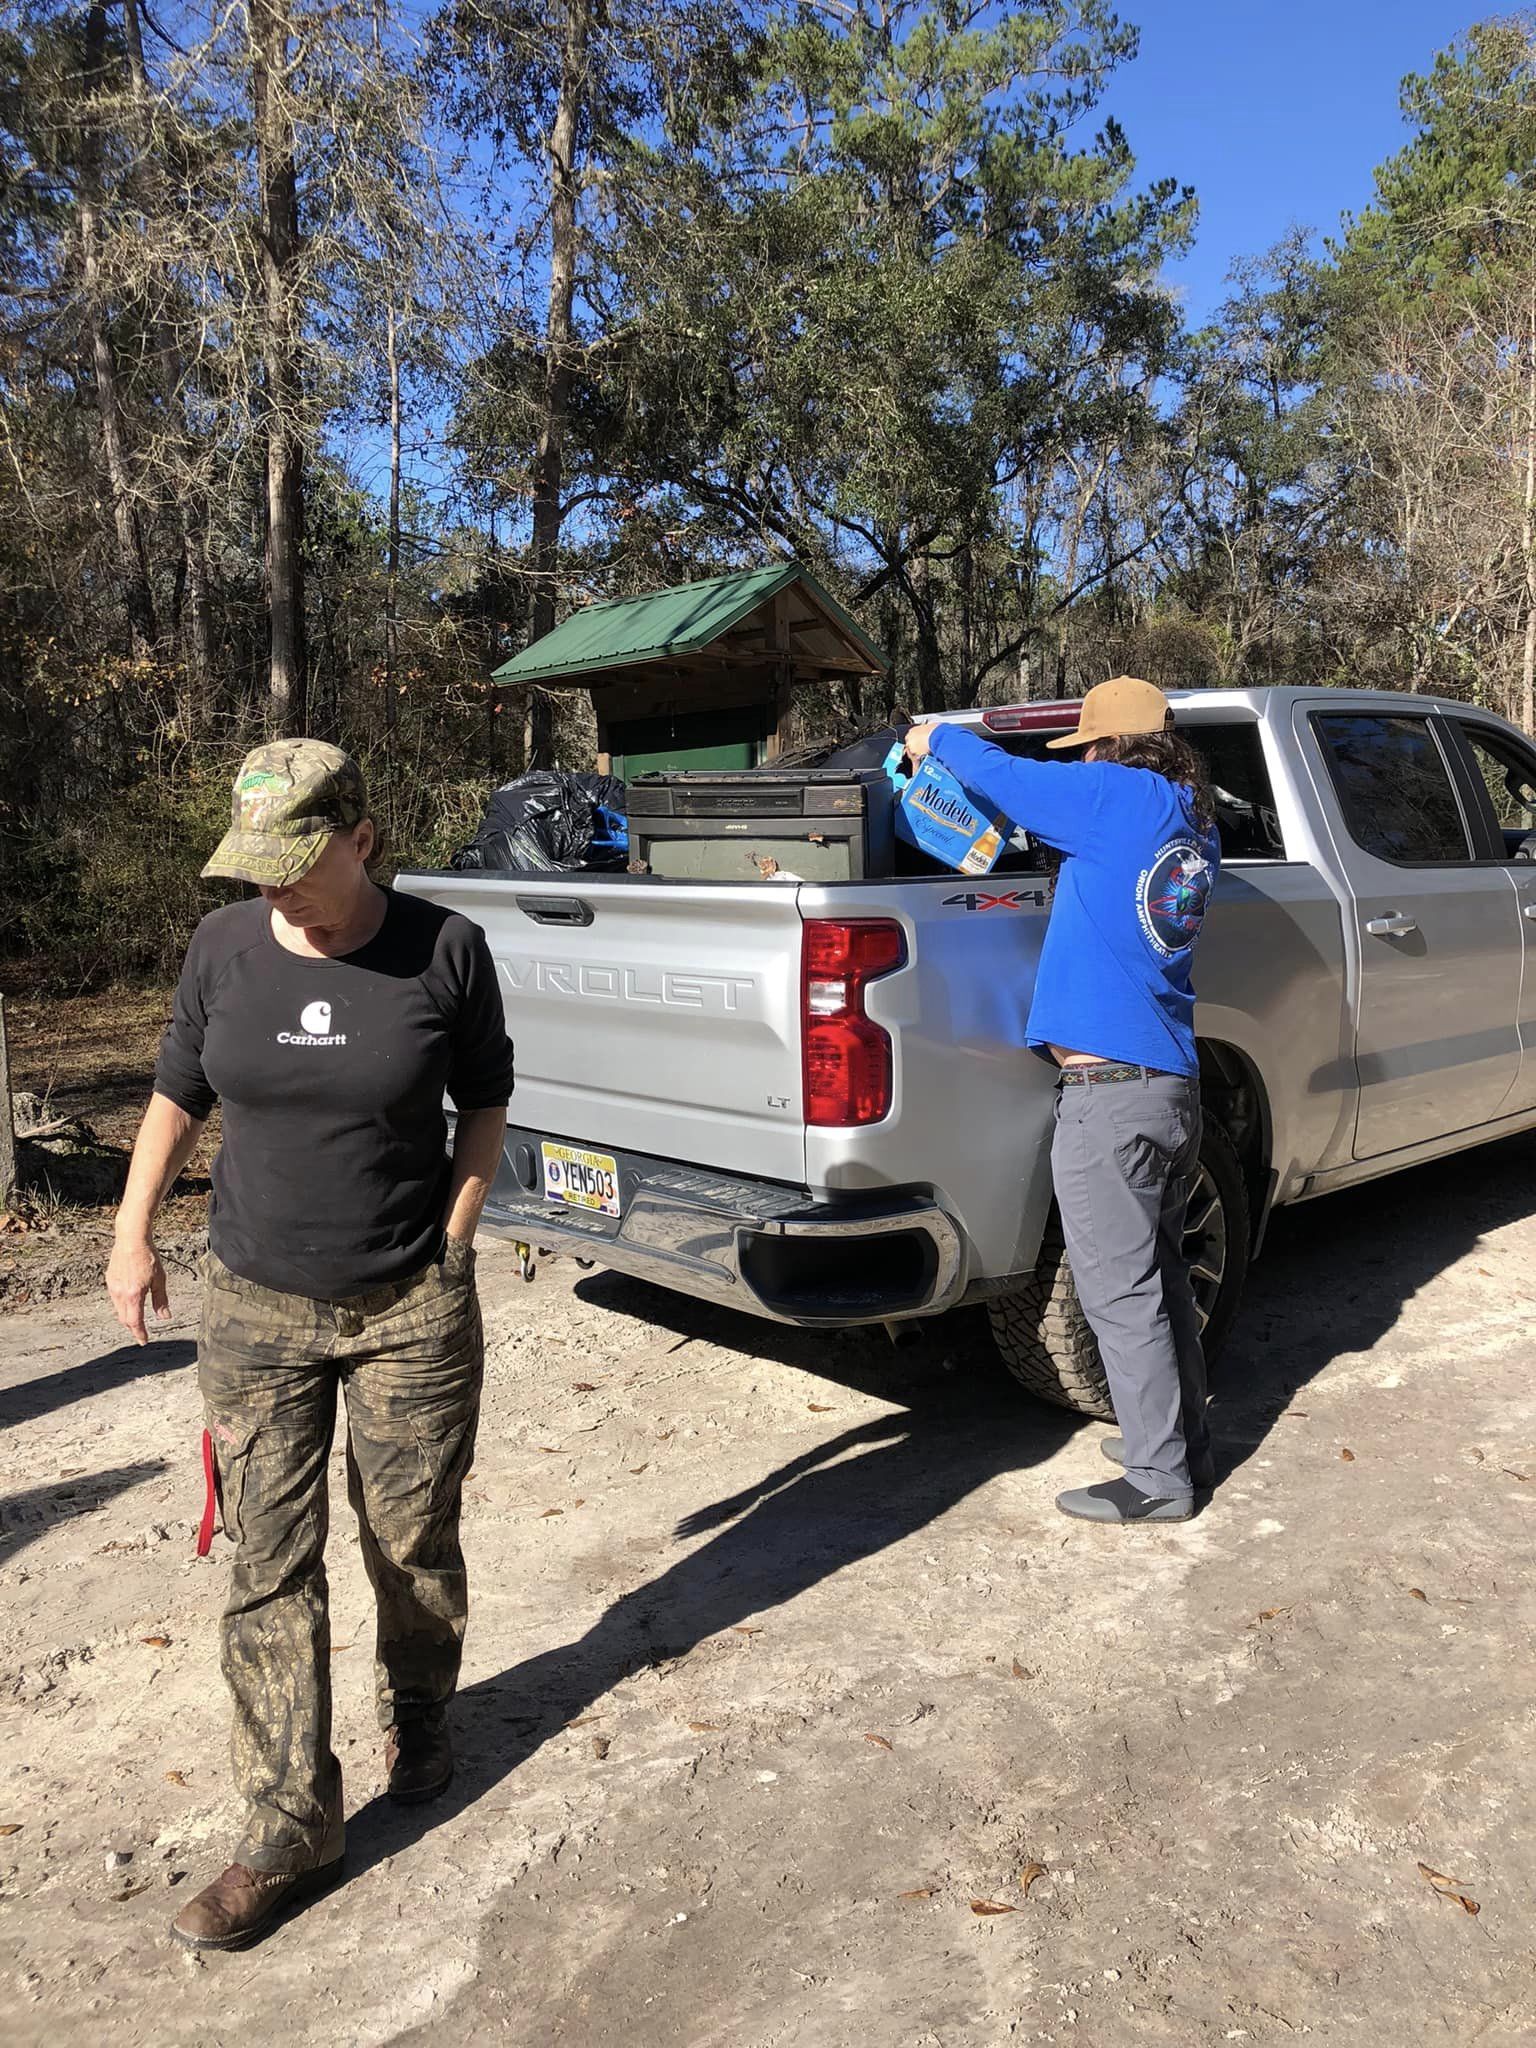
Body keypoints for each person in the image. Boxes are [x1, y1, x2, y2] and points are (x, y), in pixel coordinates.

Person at [105, 739, 516, 1952]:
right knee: (267, 1562)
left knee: (409, 1534)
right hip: (254, 1307)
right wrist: (133, 1237)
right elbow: (177, 1092)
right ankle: (288, 1821)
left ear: (362, 837)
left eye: (297, 862)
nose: (273, 888)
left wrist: (454, 1233)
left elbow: (486, 1095)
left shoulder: (445, 947)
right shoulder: (223, 950)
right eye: (256, 866)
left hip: (407, 1306)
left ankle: (422, 1710)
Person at [905, 677, 1220, 1525]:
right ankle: (1180, 1439)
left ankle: (1159, 1483)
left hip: (1110, 1095)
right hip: (1165, 1085)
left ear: (1110, 746)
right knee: (1155, 1279)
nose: (1079, 760)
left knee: (1118, 1291)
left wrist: (937, 739)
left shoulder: (1120, 797)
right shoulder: (1191, 815)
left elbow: (1009, 780)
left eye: (1084, 747)